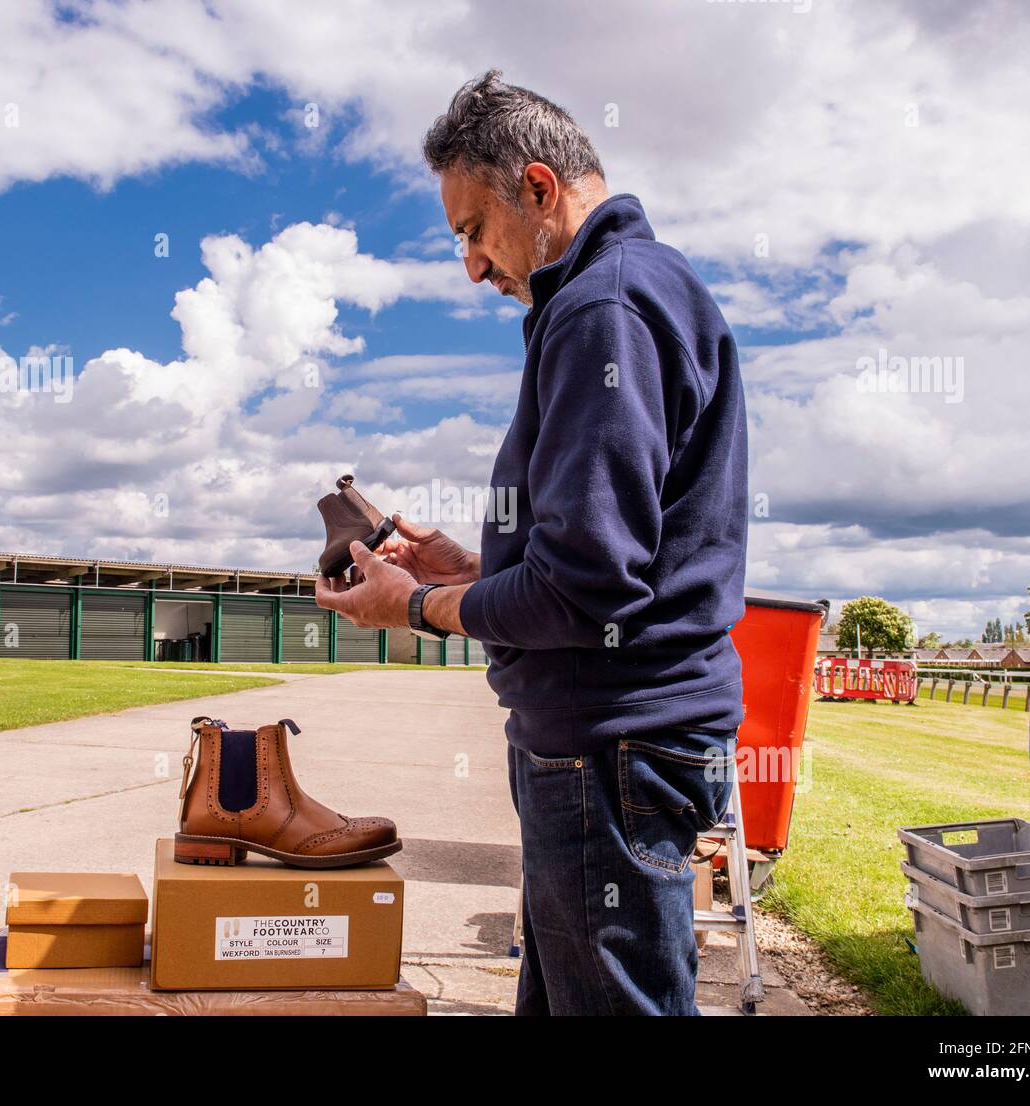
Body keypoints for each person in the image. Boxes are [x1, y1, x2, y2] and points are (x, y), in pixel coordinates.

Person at [316, 70, 747, 1016]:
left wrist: (414, 607)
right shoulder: (632, 292)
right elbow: (612, 553)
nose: (471, 265)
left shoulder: (604, 308)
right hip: (611, 740)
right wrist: (472, 571)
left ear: (540, 189)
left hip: (610, 743)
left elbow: (590, 584)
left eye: (473, 229)